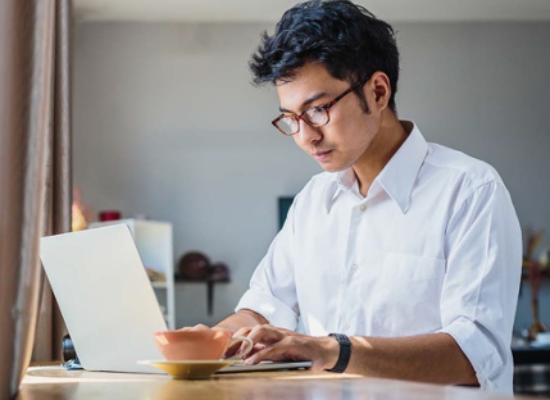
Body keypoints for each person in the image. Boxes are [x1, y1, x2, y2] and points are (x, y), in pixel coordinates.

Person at [188, 0, 521, 393]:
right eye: (291, 119)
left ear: (378, 92)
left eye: (317, 110)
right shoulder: (313, 202)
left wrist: (333, 351)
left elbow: (474, 354)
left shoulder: (469, 191)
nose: (305, 137)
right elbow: (261, 309)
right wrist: (207, 340)